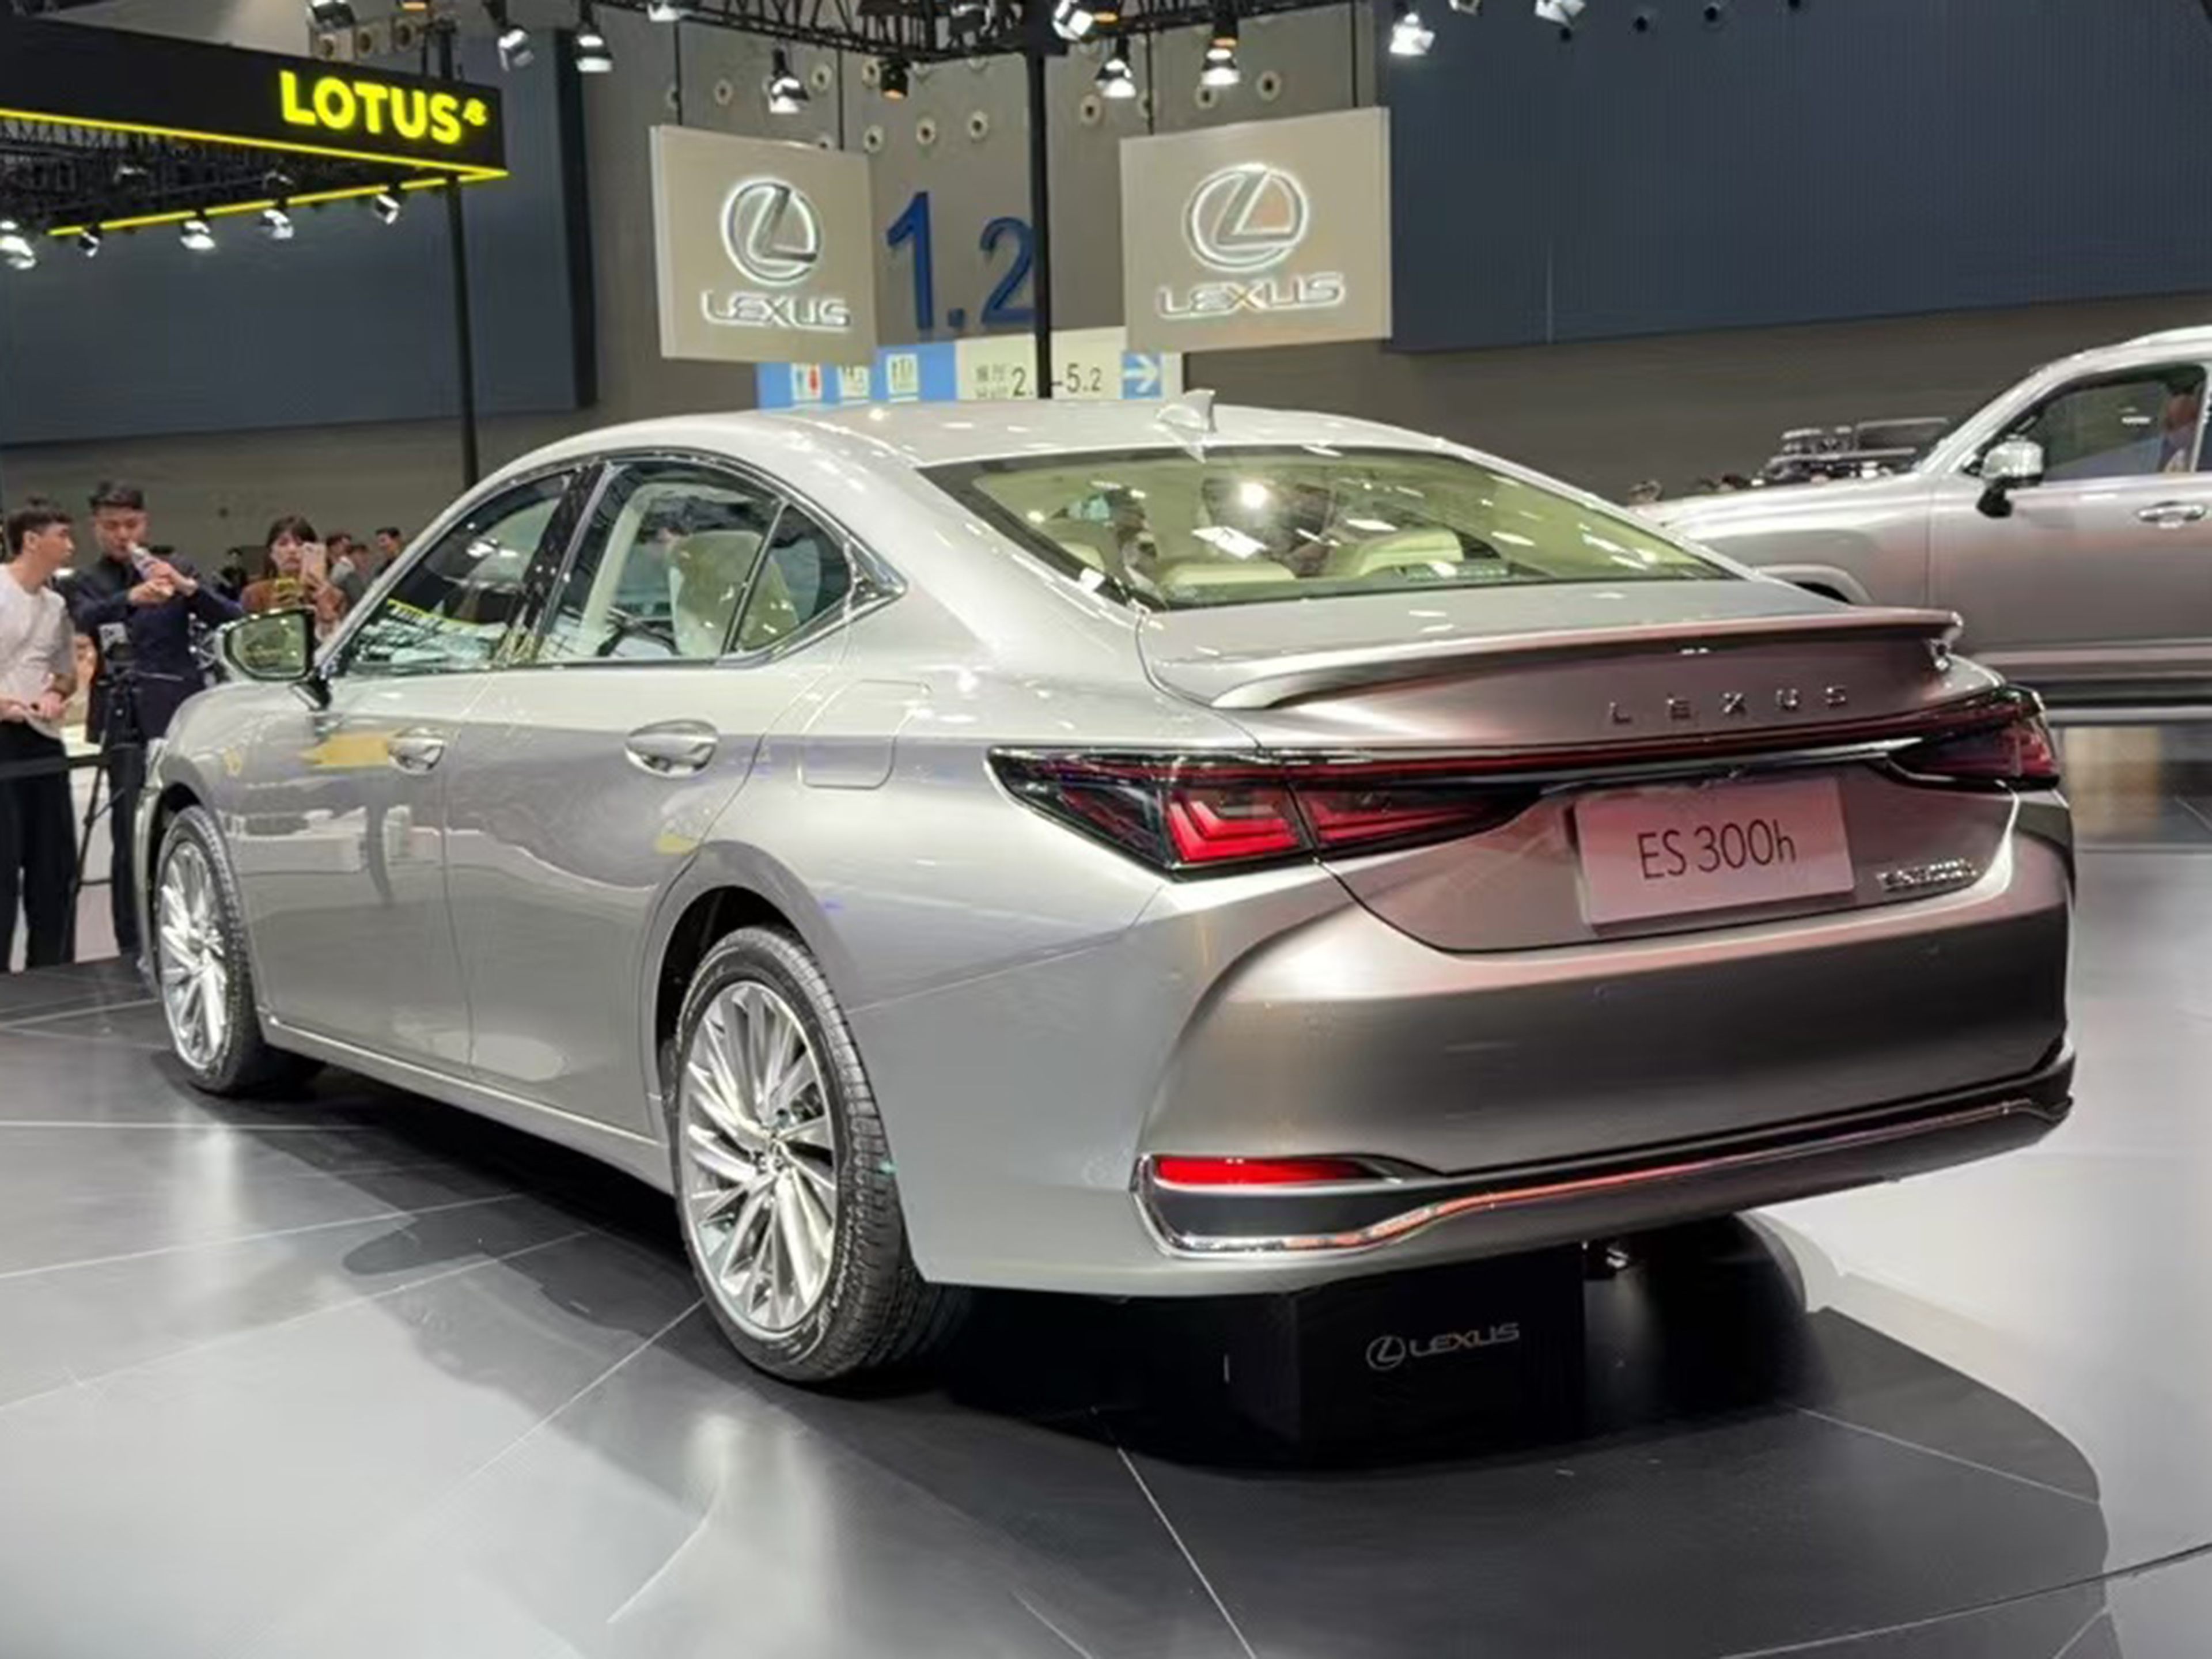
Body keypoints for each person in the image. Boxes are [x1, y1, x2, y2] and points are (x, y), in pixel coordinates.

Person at [65, 482, 241, 961]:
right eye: (111, 526)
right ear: (95, 528)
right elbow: (84, 617)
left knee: (189, 821)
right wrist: (132, 597)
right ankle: (131, 944)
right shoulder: (85, 580)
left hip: (180, 711)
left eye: (131, 524)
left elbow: (232, 617)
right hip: (123, 716)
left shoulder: (176, 565)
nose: (123, 535)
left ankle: (197, 931)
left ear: (145, 522)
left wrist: (187, 588)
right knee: (128, 836)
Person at [0, 500, 83, 972]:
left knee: (54, 865)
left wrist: (55, 693)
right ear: (31, 540)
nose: (70, 545)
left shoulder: (55, 605)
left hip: (42, 736)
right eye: (61, 535)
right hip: (3, 737)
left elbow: (67, 671)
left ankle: (53, 972)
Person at [243, 516, 346, 635]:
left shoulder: (334, 596)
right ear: (271, 553)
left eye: (300, 544)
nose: (292, 550)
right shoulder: (255, 595)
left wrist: (326, 610)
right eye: (283, 544)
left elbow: (339, 641)